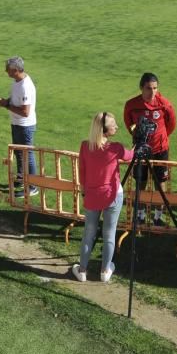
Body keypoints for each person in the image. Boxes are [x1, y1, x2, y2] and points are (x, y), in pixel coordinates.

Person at [72, 111, 133, 283]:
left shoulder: (85, 146)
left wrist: (84, 191)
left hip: (92, 195)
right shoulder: (116, 148)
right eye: (114, 125)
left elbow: (82, 172)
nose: (117, 127)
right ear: (105, 129)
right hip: (113, 195)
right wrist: (137, 146)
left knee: (88, 233)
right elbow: (130, 156)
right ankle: (105, 270)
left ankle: (82, 270)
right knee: (109, 234)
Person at [123, 72, 176, 225]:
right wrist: (139, 137)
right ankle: (139, 215)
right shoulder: (131, 105)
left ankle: (157, 217)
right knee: (140, 181)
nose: (152, 92)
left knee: (161, 183)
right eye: (148, 88)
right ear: (141, 88)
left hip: (160, 149)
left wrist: (161, 137)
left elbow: (171, 125)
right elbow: (129, 124)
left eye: (155, 88)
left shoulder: (164, 104)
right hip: (140, 149)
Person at [0, 56, 38, 198]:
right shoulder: (17, 81)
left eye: (8, 69)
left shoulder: (25, 86)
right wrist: (6, 102)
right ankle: (21, 179)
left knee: (28, 154)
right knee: (19, 152)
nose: (6, 71)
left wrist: (6, 105)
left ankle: (33, 187)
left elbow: (25, 112)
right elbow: (15, 99)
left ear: (15, 70)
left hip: (25, 125)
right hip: (17, 123)